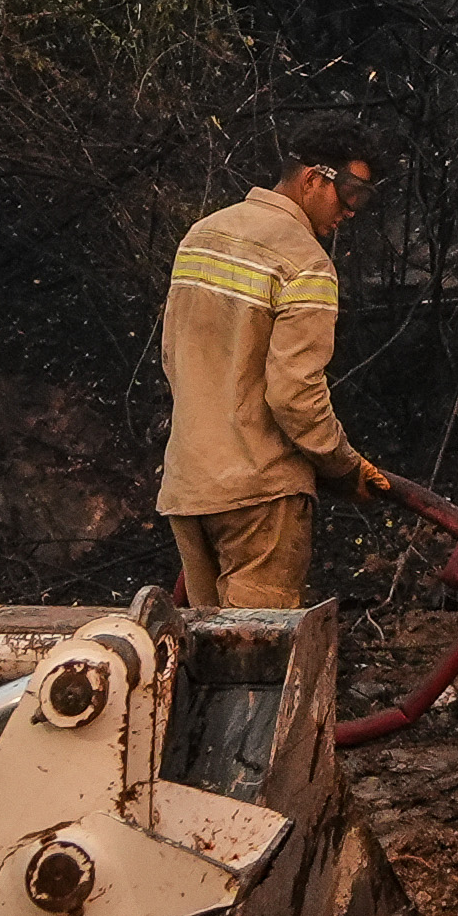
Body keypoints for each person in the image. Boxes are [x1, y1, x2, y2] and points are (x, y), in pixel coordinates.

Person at [154, 112, 392, 609]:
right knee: (254, 664)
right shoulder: (305, 262)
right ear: (312, 178)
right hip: (260, 493)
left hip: (188, 486)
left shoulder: (201, 234)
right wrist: (343, 467)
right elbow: (294, 394)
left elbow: (172, 357)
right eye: (350, 194)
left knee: (200, 657)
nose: (351, 211)